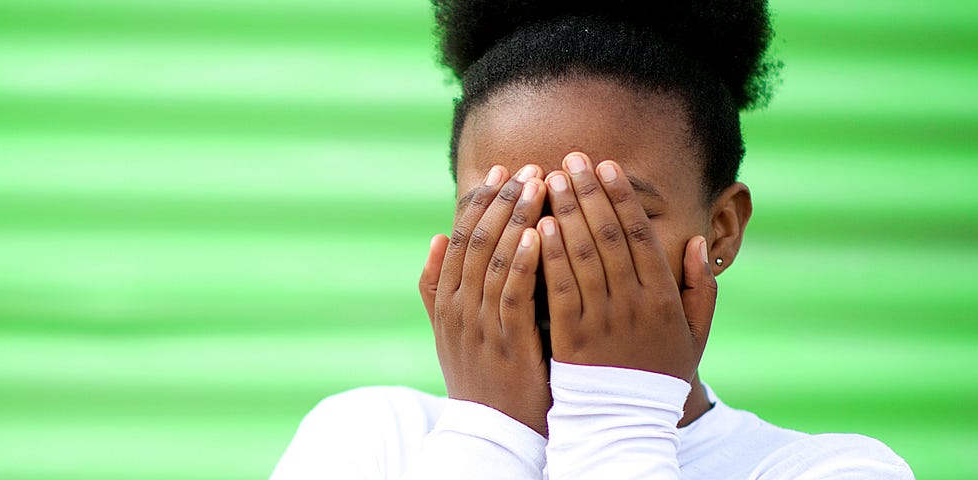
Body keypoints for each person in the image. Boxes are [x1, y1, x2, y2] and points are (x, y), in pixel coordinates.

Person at [271, 1, 913, 479]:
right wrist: (488, 433)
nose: (555, 255)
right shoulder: (370, 439)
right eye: (508, 212)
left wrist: (619, 416)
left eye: (610, 216)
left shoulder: (827, 469)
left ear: (722, 228)